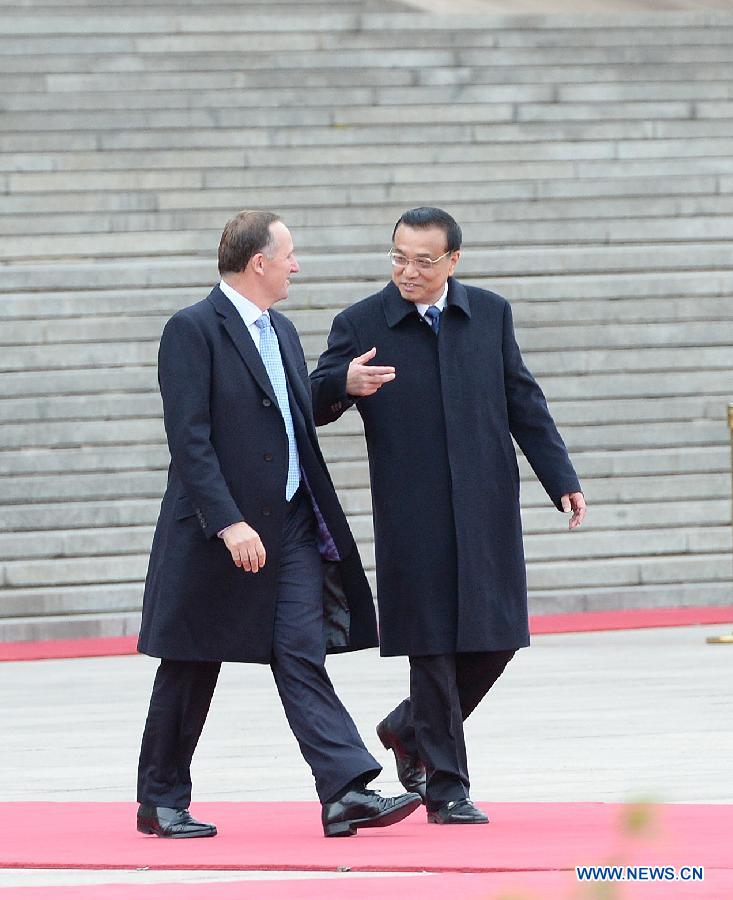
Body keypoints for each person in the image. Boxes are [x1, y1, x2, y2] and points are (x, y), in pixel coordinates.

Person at [136, 210, 421, 839]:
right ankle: (159, 799)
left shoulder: (284, 331)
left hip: (291, 522)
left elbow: (291, 415)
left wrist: (340, 385)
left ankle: (344, 789)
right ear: (258, 262)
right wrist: (228, 523)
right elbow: (190, 440)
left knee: (301, 650)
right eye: (288, 255)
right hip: (219, 528)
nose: (296, 266)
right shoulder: (192, 330)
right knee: (191, 661)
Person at [310, 206, 586, 825]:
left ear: (453, 261)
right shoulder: (360, 323)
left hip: (486, 505)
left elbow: (524, 400)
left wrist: (560, 478)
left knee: (496, 639)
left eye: (423, 260)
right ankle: (447, 788)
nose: (407, 270)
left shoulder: (488, 314)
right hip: (414, 514)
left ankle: (409, 729)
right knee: (432, 647)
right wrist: (342, 384)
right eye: (398, 257)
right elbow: (312, 400)